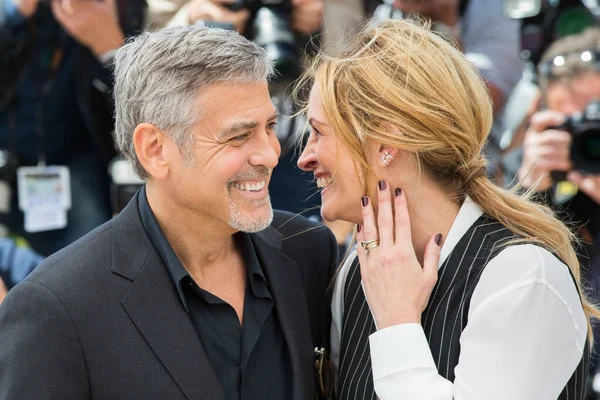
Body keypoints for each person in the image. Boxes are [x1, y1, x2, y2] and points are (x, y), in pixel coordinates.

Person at [0, 26, 338, 400]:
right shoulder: (56, 308)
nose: (270, 154)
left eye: (269, 127)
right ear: (155, 149)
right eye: (239, 136)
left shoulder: (307, 251)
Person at [297, 19, 596, 399]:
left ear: (388, 141)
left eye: (320, 132)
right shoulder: (357, 270)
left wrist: (397, 323)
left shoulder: (523, 277)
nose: (304, 157)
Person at [0, 0, 145, 256]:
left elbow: (142, 110)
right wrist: (16, 15)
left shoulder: (120, 7)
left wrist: (110, 47)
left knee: (90, 261)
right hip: (5, 158)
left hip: (71, 161)